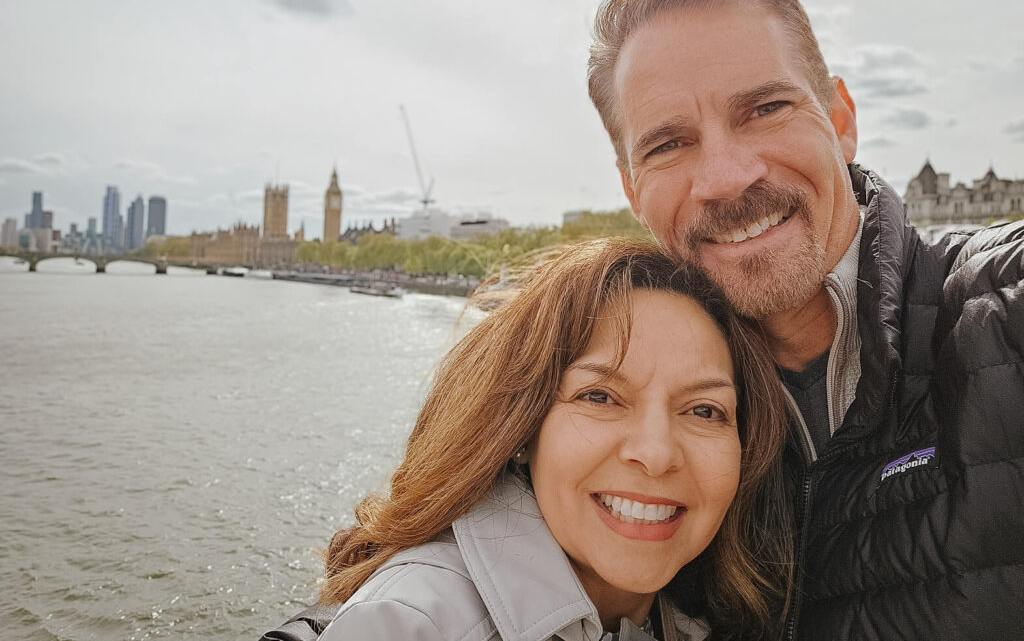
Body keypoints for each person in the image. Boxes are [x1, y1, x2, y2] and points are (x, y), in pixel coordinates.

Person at [587, 0, 1024, 639]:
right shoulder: (593, 400)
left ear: (842, 120)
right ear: (632, 190)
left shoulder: (1006, 314)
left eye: (765, 108)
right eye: (669, 144)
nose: (727, 178)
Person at [303, 239, 792, 641]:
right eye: (600, 397)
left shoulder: (695, 624)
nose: (657, 452)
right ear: (521, 427)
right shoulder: (414, 624)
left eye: (704, 411)